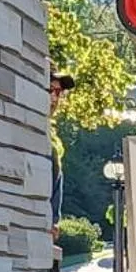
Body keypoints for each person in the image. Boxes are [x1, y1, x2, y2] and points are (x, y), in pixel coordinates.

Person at [49, 70, 75, 226]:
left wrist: (53, 223)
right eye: (50, 90)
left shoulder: (53, 139)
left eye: (58, 92)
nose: (54, 98)